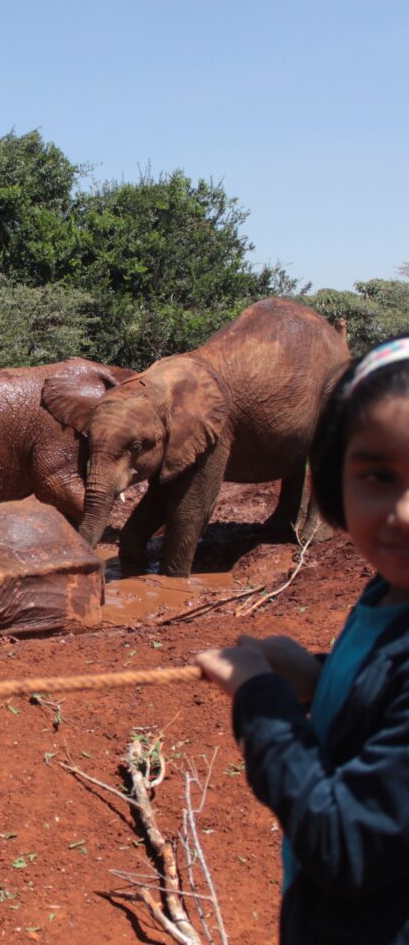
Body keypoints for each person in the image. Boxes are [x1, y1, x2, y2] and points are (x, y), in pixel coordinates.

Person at [197, 335, 409, 944]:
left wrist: (260, 700)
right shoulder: (389, 591)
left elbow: (343, 844)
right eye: (377, 475)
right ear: (333, 482)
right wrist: (318, 678)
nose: (403, 513)